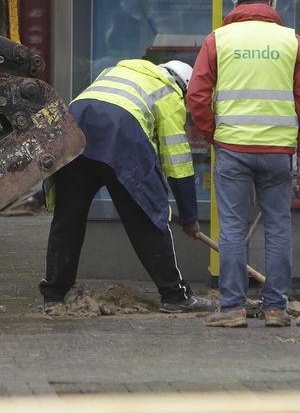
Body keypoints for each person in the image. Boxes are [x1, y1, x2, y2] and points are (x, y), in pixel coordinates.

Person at [187, 0, 300, 328]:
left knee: (232, 227)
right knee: (278, 227)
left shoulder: (218, 40)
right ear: (270, 2)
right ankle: (276, 308)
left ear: (235, 3)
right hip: (278, 151)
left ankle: (232, 308)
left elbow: (197, 95)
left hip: (232, 147)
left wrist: (212, 132)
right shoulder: (292, 41)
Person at [40, 57, 214, 313]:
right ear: (184, 86)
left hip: (74, 131)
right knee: (147, 218)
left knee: (68, 220)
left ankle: (54, 293)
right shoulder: (169, 93)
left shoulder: (116, 71)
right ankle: (174, 295)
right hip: (121, 139)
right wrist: (189, 215)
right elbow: (177, 161)